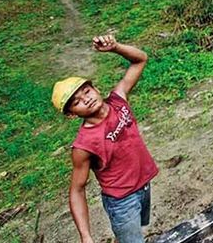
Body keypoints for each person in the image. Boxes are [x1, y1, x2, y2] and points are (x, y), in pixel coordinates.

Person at [51, 35, 157, 243]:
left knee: (131, 235)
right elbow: (77, 189)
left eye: (86, 91)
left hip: (144, 184)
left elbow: (140, 59)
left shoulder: (118, 99)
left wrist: (115, 47)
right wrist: (86, 236)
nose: (87, 99)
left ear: (95, 88)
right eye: (77, 102)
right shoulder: (84, 145)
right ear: (72, 114)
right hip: (122, 201)